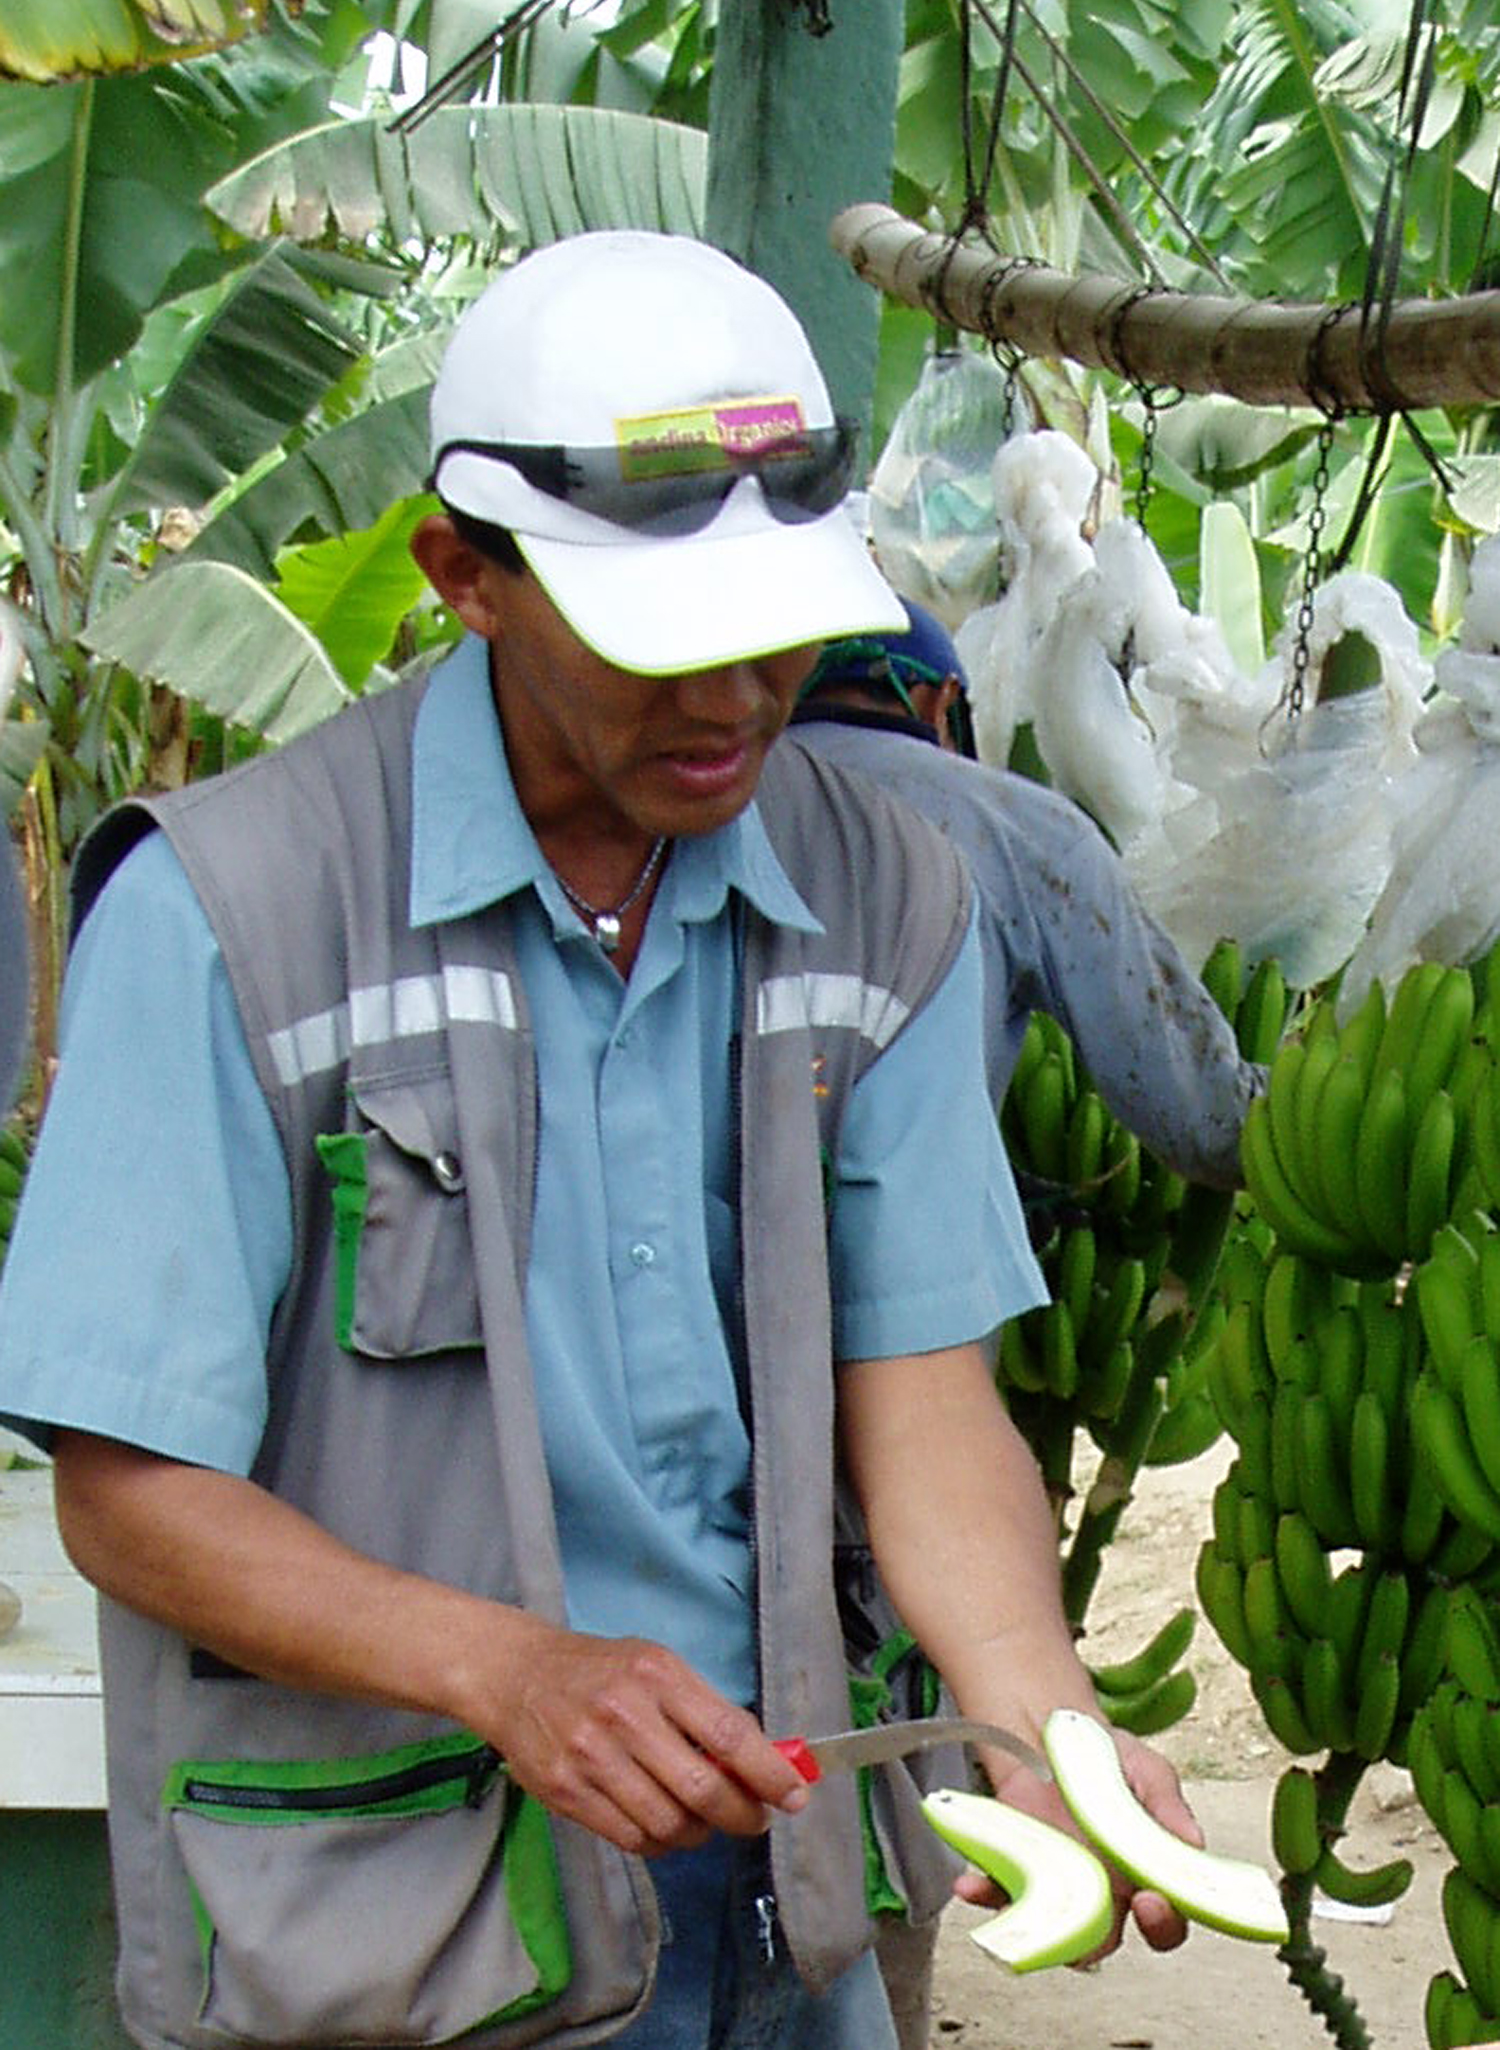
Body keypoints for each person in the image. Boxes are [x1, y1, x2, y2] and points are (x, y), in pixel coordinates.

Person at [0, 230, 1199, 2050]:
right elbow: (129, 1492)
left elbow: (927, 1398)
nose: (729, 703)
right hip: (407, 1924)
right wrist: (512, 1674)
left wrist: (1045, 1720)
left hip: (787, 1875)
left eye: (772, 631)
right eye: (661, 644)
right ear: (463, 577)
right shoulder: (234, 913)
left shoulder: (883, 898)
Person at [790, 597, 1263, 2050]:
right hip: (900, 1381)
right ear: (940, 709)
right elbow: (1196, 1116)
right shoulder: (1002, 826)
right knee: (877, 1731)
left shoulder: (672, 820)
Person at [790, 599, 1265, 1189]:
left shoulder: (691, 817)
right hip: (911, 1250)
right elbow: (1203, 1121)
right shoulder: (1028, 830)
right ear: (939, 701)